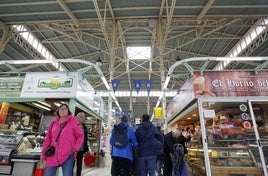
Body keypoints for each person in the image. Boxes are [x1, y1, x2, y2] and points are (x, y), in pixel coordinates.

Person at [40, 103, 84, 176]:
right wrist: (43, 156)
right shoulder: (53, 122)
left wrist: (75, 148)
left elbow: (80, 135)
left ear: (68, 111)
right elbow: (48, 139)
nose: (62, 110)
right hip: (52, 154)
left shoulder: (73, 121)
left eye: (64, 109)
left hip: (68, 154)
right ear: (58, 111)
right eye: (61, 109)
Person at [75, 112, 89, 176]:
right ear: (77, 117)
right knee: (71, 164)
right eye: (82, 117)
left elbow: (85, 138)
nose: (84, 118)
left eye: (84, 117)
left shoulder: (84, 127)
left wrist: (87, 148)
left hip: (81, 148)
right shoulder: (74, 125)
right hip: (73, 149)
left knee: (79, 165)